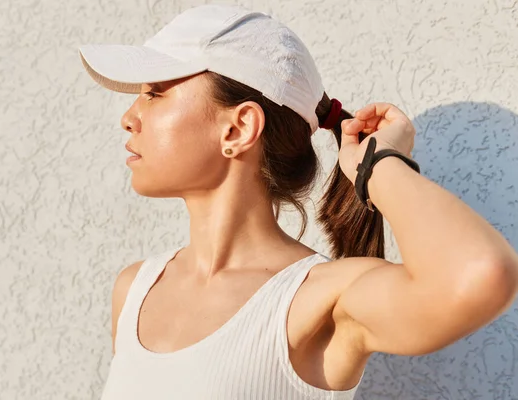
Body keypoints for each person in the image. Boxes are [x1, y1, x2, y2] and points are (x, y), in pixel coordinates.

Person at [78, 4, 518, 399]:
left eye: (155, 93)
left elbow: (480, 273)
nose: (129, 117)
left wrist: (377, 164)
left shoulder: (319, 299)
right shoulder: (134, 289)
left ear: (237, 128)